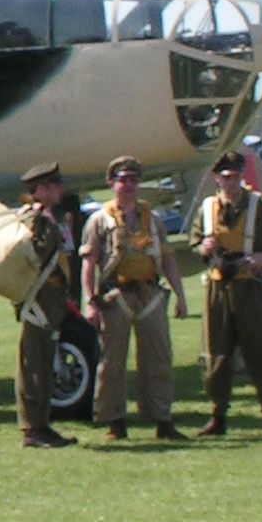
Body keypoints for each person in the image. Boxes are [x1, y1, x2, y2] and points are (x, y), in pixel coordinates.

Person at [80, 155, 190, 441]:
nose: (128, 185)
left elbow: (168, 260)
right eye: (122, 180)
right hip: (115, 296)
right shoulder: (99, 220)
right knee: (112, 362)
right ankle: (114, 421)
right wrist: (90, 301)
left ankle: (162, 420)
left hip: (151, 294)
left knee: (159, 359)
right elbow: (89, 264)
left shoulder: (152, 219)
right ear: (111, 183)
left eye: (133, 180)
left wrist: (180, 296)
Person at [191, 151, 262, 435]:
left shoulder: (260, 206)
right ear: (216, 178)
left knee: (261, 352)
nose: (231, 182)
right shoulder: (208, 208)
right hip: (217, 288)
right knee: (216, 354)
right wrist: (205, 248)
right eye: (226, 177)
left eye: (236, 176)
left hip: (251, 286)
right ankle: (218, 416)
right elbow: (195, 241)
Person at [12, 161, 79, 448]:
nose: (60, 188)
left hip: (51, 300)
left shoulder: (52, 217)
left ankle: (42, 424)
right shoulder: (35, 219)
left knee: (45, 360)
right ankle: (31, 428)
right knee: (34, 364)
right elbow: (34, 256)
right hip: (37, 300)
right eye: (54, 184)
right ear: (41, 190)